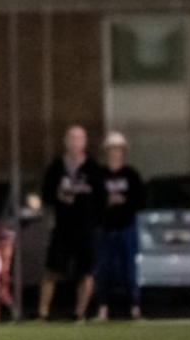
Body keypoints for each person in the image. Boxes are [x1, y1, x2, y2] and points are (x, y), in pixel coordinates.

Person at [38, 125, 106, 321]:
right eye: (72, 138)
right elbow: (46, 195)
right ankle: (43, 314)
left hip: (86, 228)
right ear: (66, 141)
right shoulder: (56, 168)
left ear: (84, 142)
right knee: (52, 269)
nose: (75, 142)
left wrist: (96, 222)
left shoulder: (93, 168)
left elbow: (101, 198)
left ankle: (79, 313)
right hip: (62, 227)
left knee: (86, 270)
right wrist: (59, 196)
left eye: (79, 138)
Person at [95, 131, 145, 321]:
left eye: (118, 149)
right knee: (104, 270)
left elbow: (139, 200)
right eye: (111, 149)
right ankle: (103, 308)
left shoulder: (131, 175)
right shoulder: (100, 175)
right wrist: (106, 203)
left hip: (126, 227)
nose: (114, 152)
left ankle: (134, 308)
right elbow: (93, 201)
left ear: (123, 152)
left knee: (130, 270)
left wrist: (124, 202)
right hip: (106, 228)